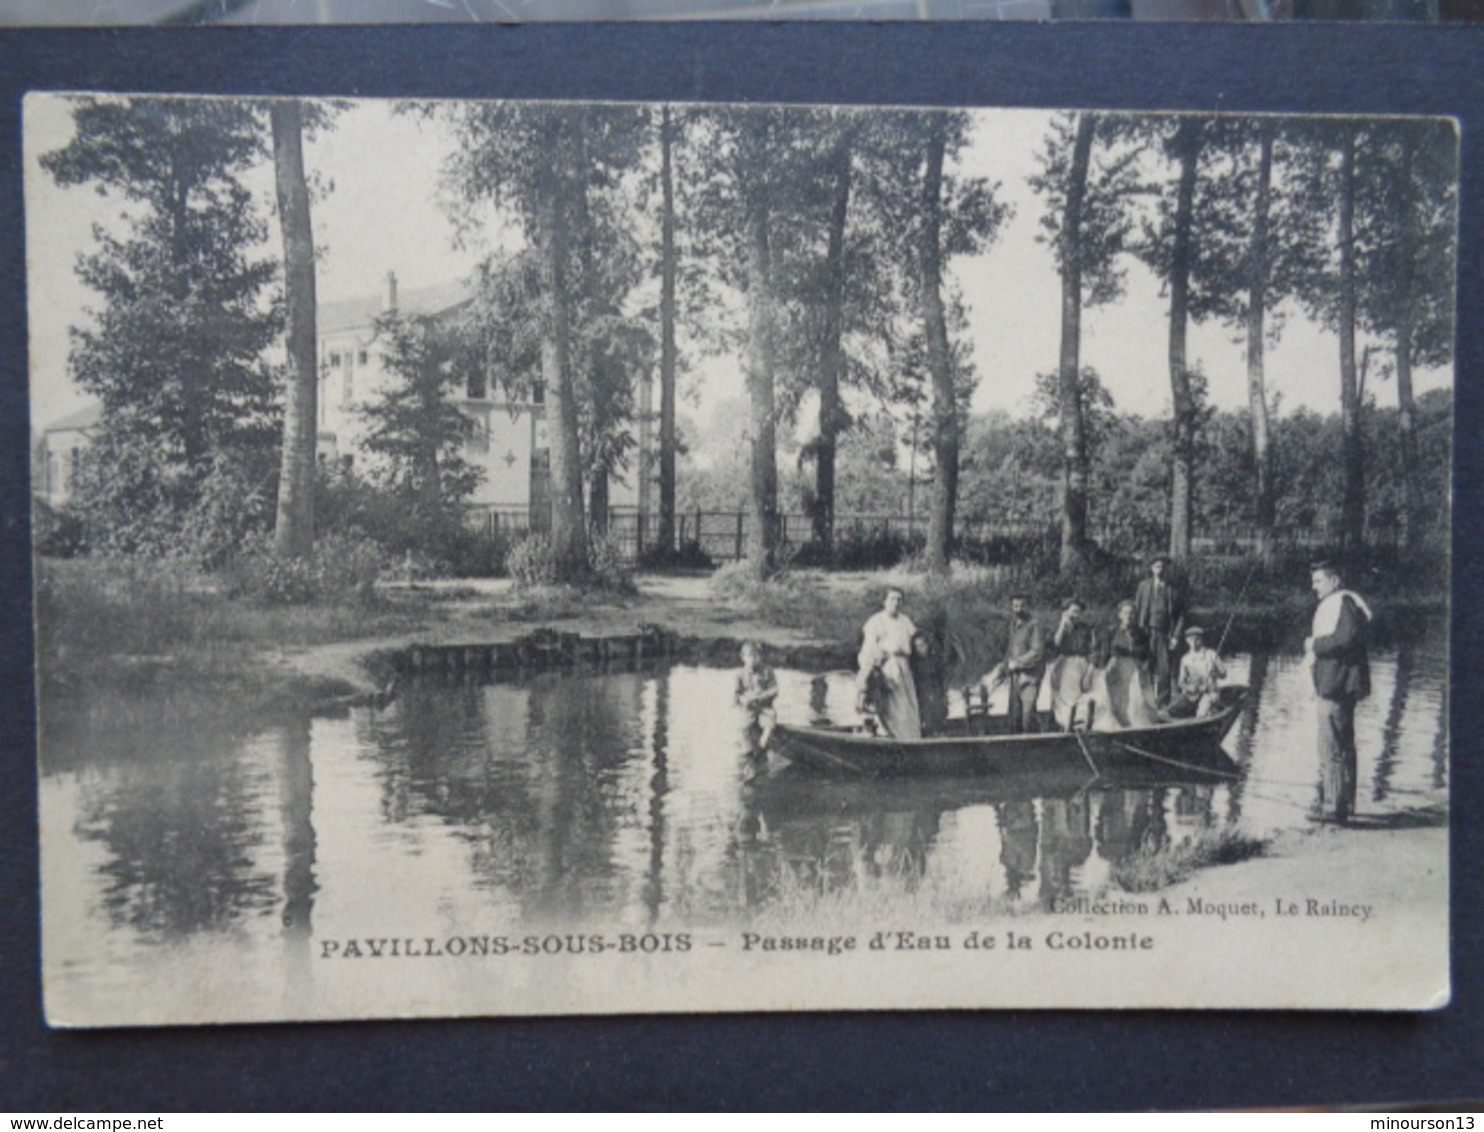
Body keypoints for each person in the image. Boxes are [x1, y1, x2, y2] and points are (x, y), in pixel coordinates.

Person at [1304, 560, 1372, 825]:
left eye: (1318, 581)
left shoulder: (1343, 603)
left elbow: (1347, 638)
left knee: (1331, 745)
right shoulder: (1343, 603)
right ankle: (1344, 803)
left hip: (1336, 685)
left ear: (1334, 581)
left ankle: (1334, 807)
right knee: (1341, 744)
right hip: (1336, 684)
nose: (1314, 587)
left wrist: (1315, 645)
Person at [857, 586, 922, 740]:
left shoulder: (905, 621)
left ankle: (910, 739)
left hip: (904, 668)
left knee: (908, 707)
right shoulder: (876, 622)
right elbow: (868, 650)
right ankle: (890, 737)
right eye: (892, 599)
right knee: (891, 708)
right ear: (884, 601)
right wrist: (870, 669)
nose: (896, 603)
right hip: (888, 668)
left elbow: (916, 642)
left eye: (899, 600)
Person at [986, 593, 1045, 735]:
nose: (1018, 609)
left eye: (1022, 605)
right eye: (1015, 606)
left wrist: (1017, 663)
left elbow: (1036, 651)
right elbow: (1011, 651)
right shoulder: (1013, 625)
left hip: (1031, 677)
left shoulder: (1034, 625)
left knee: (1028, 714)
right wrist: (1002, 669)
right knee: (1014, 715)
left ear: (1028, 606)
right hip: (1016, 677)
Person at [1134, 554, 1187, 706]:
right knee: (1146, 667)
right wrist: (1136, 633)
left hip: (1165, 634)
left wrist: (1176, 637)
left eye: (1163, 567)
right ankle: (1147, 702)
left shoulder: (1173, 590)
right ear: (1152, 569)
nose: (1160, 570)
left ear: (1167, 570)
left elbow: (1182, 616)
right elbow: (1137, 609)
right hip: (1146, 633)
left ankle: (1163, 703)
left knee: (1164, 670)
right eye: (1157, 567)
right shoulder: (1143, 586)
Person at [1167, 625, 1226, 719]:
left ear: (1202, 640)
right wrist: (1190, 688)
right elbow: (1180, 682)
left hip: (1209, 693)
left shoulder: (1211, 655)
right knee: (1170, 711)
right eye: (1190, 640)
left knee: (1201, 716)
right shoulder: (1185, 659)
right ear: (1187, 641)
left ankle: (1212, 710)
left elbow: (1224, 674)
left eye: (1197, 639)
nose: (1193, 643)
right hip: (1192, 695)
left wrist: (1215, 672)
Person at [734, 640, 779, 753]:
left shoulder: (767, 671)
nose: (753, 660)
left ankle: (764, 743)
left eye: (756, 656)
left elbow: (774, 690)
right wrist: (743, 699)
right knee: (742, 727)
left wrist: (760, 697)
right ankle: (748, 750)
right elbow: (737, 694)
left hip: (764, 707)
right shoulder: (740, 674)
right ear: (743, 657)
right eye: (750, 656)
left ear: (760, 657)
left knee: (769, 722)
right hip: (749, 708)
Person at [910, 630, 949, 737]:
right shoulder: (914, 664)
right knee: (925, 713)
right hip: (922, 691)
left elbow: (941, 678)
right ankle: (928, 732)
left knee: (938, 710)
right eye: (917, 647)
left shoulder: (935, 660)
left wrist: (942, 693)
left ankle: (939, 731)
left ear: (927, 645)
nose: (920, 649)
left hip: (935, 689)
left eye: (922, 645)